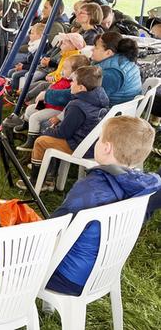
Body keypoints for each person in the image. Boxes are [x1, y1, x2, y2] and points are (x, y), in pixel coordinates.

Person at [45, 116, 161, 295]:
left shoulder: (89, 189)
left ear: (106, 148)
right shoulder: (143, 189)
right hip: (103, 271)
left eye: (99, 139)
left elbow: (54, 229)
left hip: (66, 277)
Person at [19, 66, 110, 191]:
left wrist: (48, 131)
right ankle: (49, 177)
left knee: (41, 141)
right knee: (48, 137)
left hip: (80, 146)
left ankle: (37, 181)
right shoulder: (99, 99)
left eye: (73, 81)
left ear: (81, 88)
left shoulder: (77, 106)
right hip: (92, 144)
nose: (70, 84)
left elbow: (64, 133)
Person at [16, 54, 90, 151]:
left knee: (35, 117)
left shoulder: (73, 85)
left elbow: (68, 102)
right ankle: (26, 124)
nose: (62, 70)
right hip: (48, 104)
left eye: (65, 68)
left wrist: (59, 117)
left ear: (74, 72)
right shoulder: (63, 79)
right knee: (30, 109)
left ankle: (31, 141)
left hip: (56, 109)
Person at [91, 31, 142, 105]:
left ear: (108, 52)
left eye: (96, 47)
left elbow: (94, 99)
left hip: (115, 112)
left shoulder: (112, 73)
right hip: (128, 108)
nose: (92, 49)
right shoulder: (124, 59)